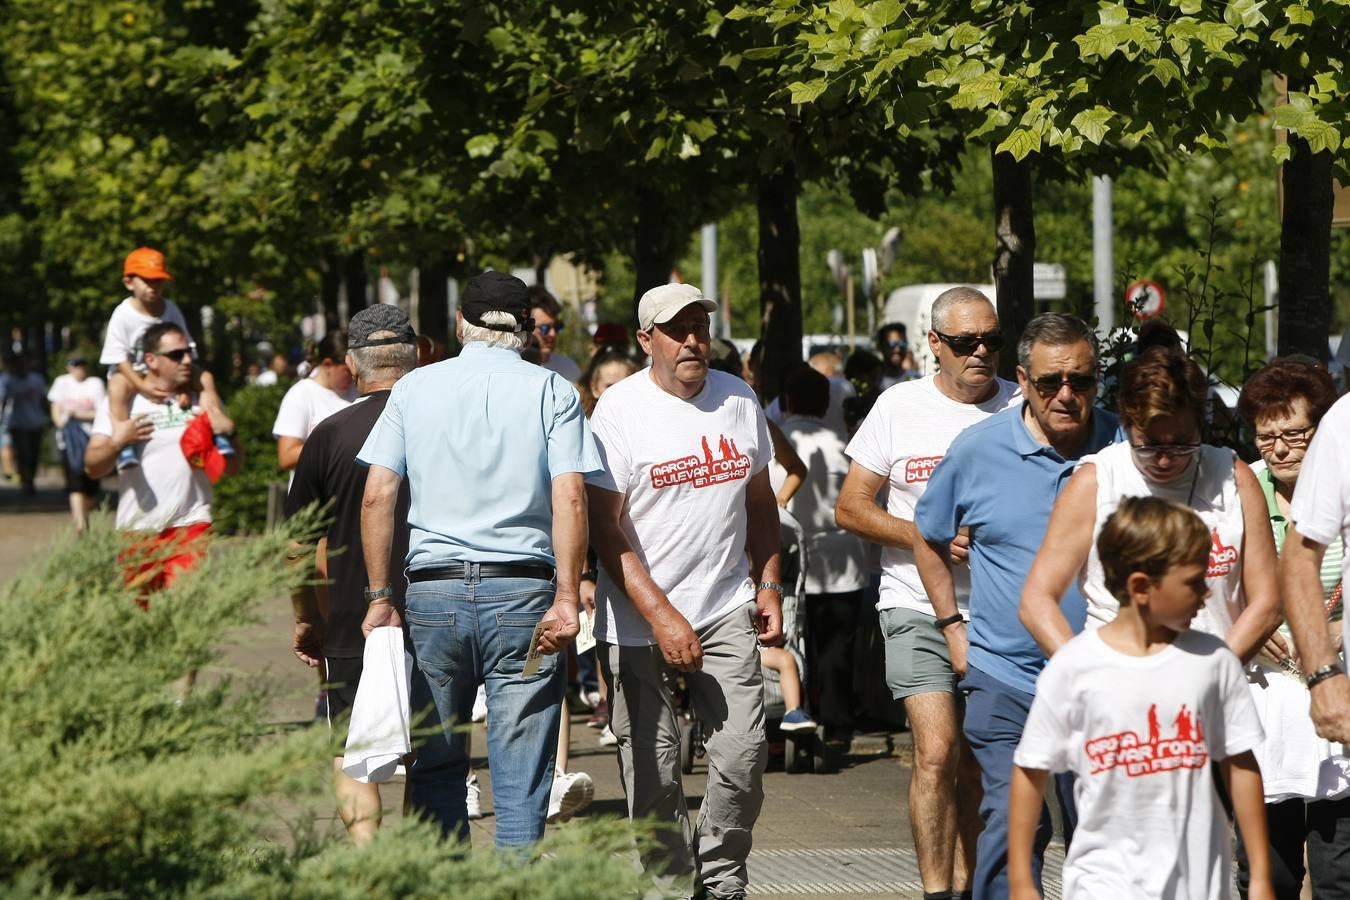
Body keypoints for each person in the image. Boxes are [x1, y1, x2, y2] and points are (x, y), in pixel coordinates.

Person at [358, 270, 599, 848]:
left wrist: (379, 597)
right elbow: (570, 495)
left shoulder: (413, 389)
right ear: (525, 328)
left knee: (437, 763)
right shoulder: (553, 391)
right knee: (521, 771)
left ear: (461, 323)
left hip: (434, 592)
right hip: (522, 590)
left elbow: (377, 494)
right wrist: (569, 594)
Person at [587, 282, 783, 899]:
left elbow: (760, 502)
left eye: (699, 325)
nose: (694, 339)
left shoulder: (738, 398)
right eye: (678, 329)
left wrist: (769, 582)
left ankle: (722, 877)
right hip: (640, 616)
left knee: (744, 753)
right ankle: (671, 886)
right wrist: (663, 616)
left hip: (725, 604)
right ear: (647, 340)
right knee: (654, 768)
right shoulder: (618, 410)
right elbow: (604, 527)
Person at [913, 313, 1119, 900]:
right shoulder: (978, 450)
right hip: (1006, 675)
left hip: (1103, 680)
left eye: (1081, 380)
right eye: (1051, 382)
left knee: (1098, 830)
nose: (1066, 395)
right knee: (1011, 821)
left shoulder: (1124, 447)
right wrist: (953, 626)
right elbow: (927, 536)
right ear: (1022, 381)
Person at [837, 287, 1020, 899]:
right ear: (934, 345)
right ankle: (937, 891)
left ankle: (972, 885)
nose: (982, 354)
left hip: (1002, 610)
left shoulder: (1024, 407)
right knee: (937, 751)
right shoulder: (898, 406)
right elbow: (851, 507)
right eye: (966, 343)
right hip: (915, 602)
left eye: (993, 341)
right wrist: (926, 535)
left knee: (979, 762)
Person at [1008, 496, 1272, 900]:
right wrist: (1021, 882)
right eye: (1193, 581)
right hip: (1103, 882)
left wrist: (1259, 879)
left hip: (1198, 882)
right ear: (1140, 587)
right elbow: (1030, 771)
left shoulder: (1214, 660)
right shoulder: (1074, 667)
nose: (1206, 592)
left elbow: (1241, 764)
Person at [284, 305, 417, 845]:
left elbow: (295, 548)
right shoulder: (439, 427)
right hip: (438, 604)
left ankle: (368, 859)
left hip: (349, 613)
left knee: (349, 749)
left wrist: (304, 616)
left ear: (352, 365)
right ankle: (424, 858)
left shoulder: (329, 435)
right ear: (417, 357)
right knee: (431, 748)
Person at [1236, 360, 1350, 898]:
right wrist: (1247, 628)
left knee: (1338, 867)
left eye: (1295, 434)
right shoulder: (1240, 491)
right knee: (1268, 868)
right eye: (1267, 437)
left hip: (1337, 684)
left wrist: (1339, 630)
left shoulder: (1342, 483)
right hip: (1262, 693)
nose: (1279, 449)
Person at [85, 322, 241, 590]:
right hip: (136, 528)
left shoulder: (202, 401)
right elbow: (92, 466)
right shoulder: (124, 403)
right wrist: (117, 442)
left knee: (183, 610)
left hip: (191, 522)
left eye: (189, 352)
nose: (187, 360)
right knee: (141, 619)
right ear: (151, 360)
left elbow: (235, 467)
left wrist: (232, 433)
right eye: (176, 355)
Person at [778, 366, 867, 745]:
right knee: (837, 646)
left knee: (794, 642)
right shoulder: (843, 443)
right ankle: (838, 724)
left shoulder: (780, 440)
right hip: (844, 558)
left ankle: (797, 713)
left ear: (787, 400)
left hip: (792, 561)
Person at [99, 247, 229, 472]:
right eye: (147, 280)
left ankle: (217, 430)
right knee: (117, 385)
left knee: (205, 378)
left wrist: (187, 387)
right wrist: (142, 386)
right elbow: (118, 358)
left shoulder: (171, 309)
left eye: (159, 280)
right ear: (129, 283)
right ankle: (124, 442)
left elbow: (185, 349)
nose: (154, 286)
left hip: (168, 370)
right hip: (134, 373)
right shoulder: (122, 315)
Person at [273, 331, 355, 472]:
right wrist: (339, 447)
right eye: (347, 370)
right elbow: (286, 457)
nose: (354, 375)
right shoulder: (300, 395)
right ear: (328, 364)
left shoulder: (358, 389)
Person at [48, 356, 106, 529]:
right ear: (69, 368)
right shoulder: (62, 382)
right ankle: (80, 525)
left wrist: (77, 415)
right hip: (69, 442)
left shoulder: (95, 383)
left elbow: (101, 412)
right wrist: (61, 424)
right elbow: (56, 407)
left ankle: (85, 516)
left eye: (81, 365)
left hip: (92, 439)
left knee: (91, 484)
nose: (79, 369)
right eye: (75, 366)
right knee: (75, 483)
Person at [1, 354, 48, 495]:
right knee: (23, 453)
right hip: (18, 423)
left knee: (33, 454)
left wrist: (48, 416)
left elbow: (43, 399)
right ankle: (25, 482)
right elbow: (4, 401)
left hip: (36, 422)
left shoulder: (37, 380)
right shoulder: (10, 382)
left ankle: (30, 479)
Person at [530, 286, 582, 383]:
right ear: (527, 327)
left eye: (557, 327)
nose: (552, 334)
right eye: (545, 328)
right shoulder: (513, 371)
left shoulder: (570, 368)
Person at [877, 322, 919, 391]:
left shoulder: (915, 379)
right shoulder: (874, 382)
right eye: (892, 344)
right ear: (881, 347)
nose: (897, 349)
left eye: (902, 343)